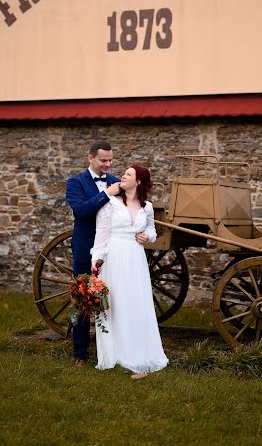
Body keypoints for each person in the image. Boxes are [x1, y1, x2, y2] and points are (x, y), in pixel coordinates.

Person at [90, 165, 169, 378]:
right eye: (124, 173)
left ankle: (140, 352)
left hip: (135, 258)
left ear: (139, 182)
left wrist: (148, 237)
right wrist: (96, 260)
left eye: (128, 174)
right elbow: (101, 235)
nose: (123, 176)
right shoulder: (110, 204)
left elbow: (151, 230)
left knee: (136, 302)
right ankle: (116, 354)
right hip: (114, 256)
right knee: (117, 303)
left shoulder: (148, 207)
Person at [65, 140, 121, 366]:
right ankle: (80, 353)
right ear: (90, 158)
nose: (108, 164)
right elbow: (82, 211)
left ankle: (112, 349)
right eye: (103, 160)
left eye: (110, 160)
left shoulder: (118, 181)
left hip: (113, 249)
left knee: (115, 297)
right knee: (83, 298)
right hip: (85, 247)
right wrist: (106, 194)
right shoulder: (75, 183)